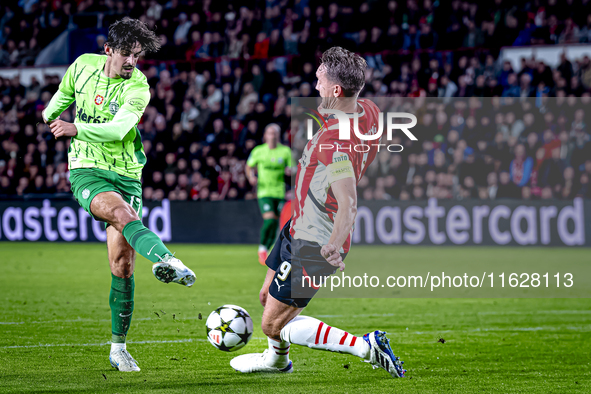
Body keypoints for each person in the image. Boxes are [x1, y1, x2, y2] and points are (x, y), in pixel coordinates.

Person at [231, 47, 405, 378]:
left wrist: (334, 243)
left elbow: (349, 201)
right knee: (267, 294)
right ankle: (276, 361)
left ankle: (366, 346)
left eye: (320, 81)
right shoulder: (369, 111)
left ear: (337, 90)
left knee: (272, 324)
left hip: (315, 238)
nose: (315, 87)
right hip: (297, 226)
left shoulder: (334, 142)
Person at [42, 18, 196, 372]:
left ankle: (118, 348)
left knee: (122, 265)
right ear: (108, 50)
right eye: (126, 54)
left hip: (127, 174)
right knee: (122, 216)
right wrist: (50, 113)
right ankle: (168, 259)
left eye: (137, 57)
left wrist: (75, 126)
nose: (131, 63)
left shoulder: (139, 87)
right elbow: (64, 94)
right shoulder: (82, 65)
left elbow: (119, 128)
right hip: (87, 168)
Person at [245, 123, 292, 265]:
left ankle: (268, 248)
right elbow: (248, 166)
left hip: (279, 191)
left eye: (275, 133)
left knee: (276, 223)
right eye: (270, 133)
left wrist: (290, 171)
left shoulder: (285, 151)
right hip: (264, 192)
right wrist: (251, 177)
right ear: (265, 135)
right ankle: (262, 248)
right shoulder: (258, 151)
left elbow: (292, 167)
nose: (272, 136)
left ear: (278, 135)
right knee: (270, 220)